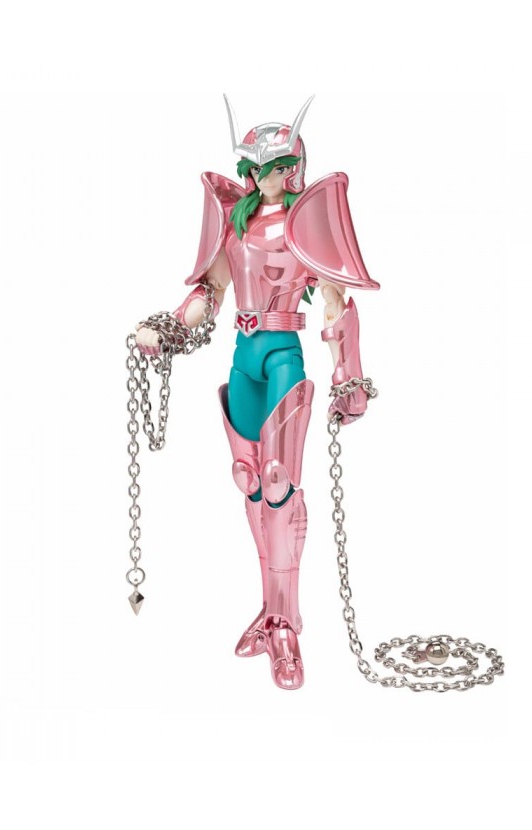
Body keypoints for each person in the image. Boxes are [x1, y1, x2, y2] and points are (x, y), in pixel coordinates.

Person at [136, 95, 379, 689]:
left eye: (274, 167)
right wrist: (167, 329)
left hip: (283, 356)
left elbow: (335, 300)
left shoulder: (304, 226)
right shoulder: (236, 223)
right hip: (243, 358)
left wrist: (349, 376)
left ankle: (286, 626)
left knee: (278, 482)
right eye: (255, 167)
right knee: (249, 479)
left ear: (292, 167)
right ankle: (270, 613)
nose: (263, 176)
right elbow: (210, 292)